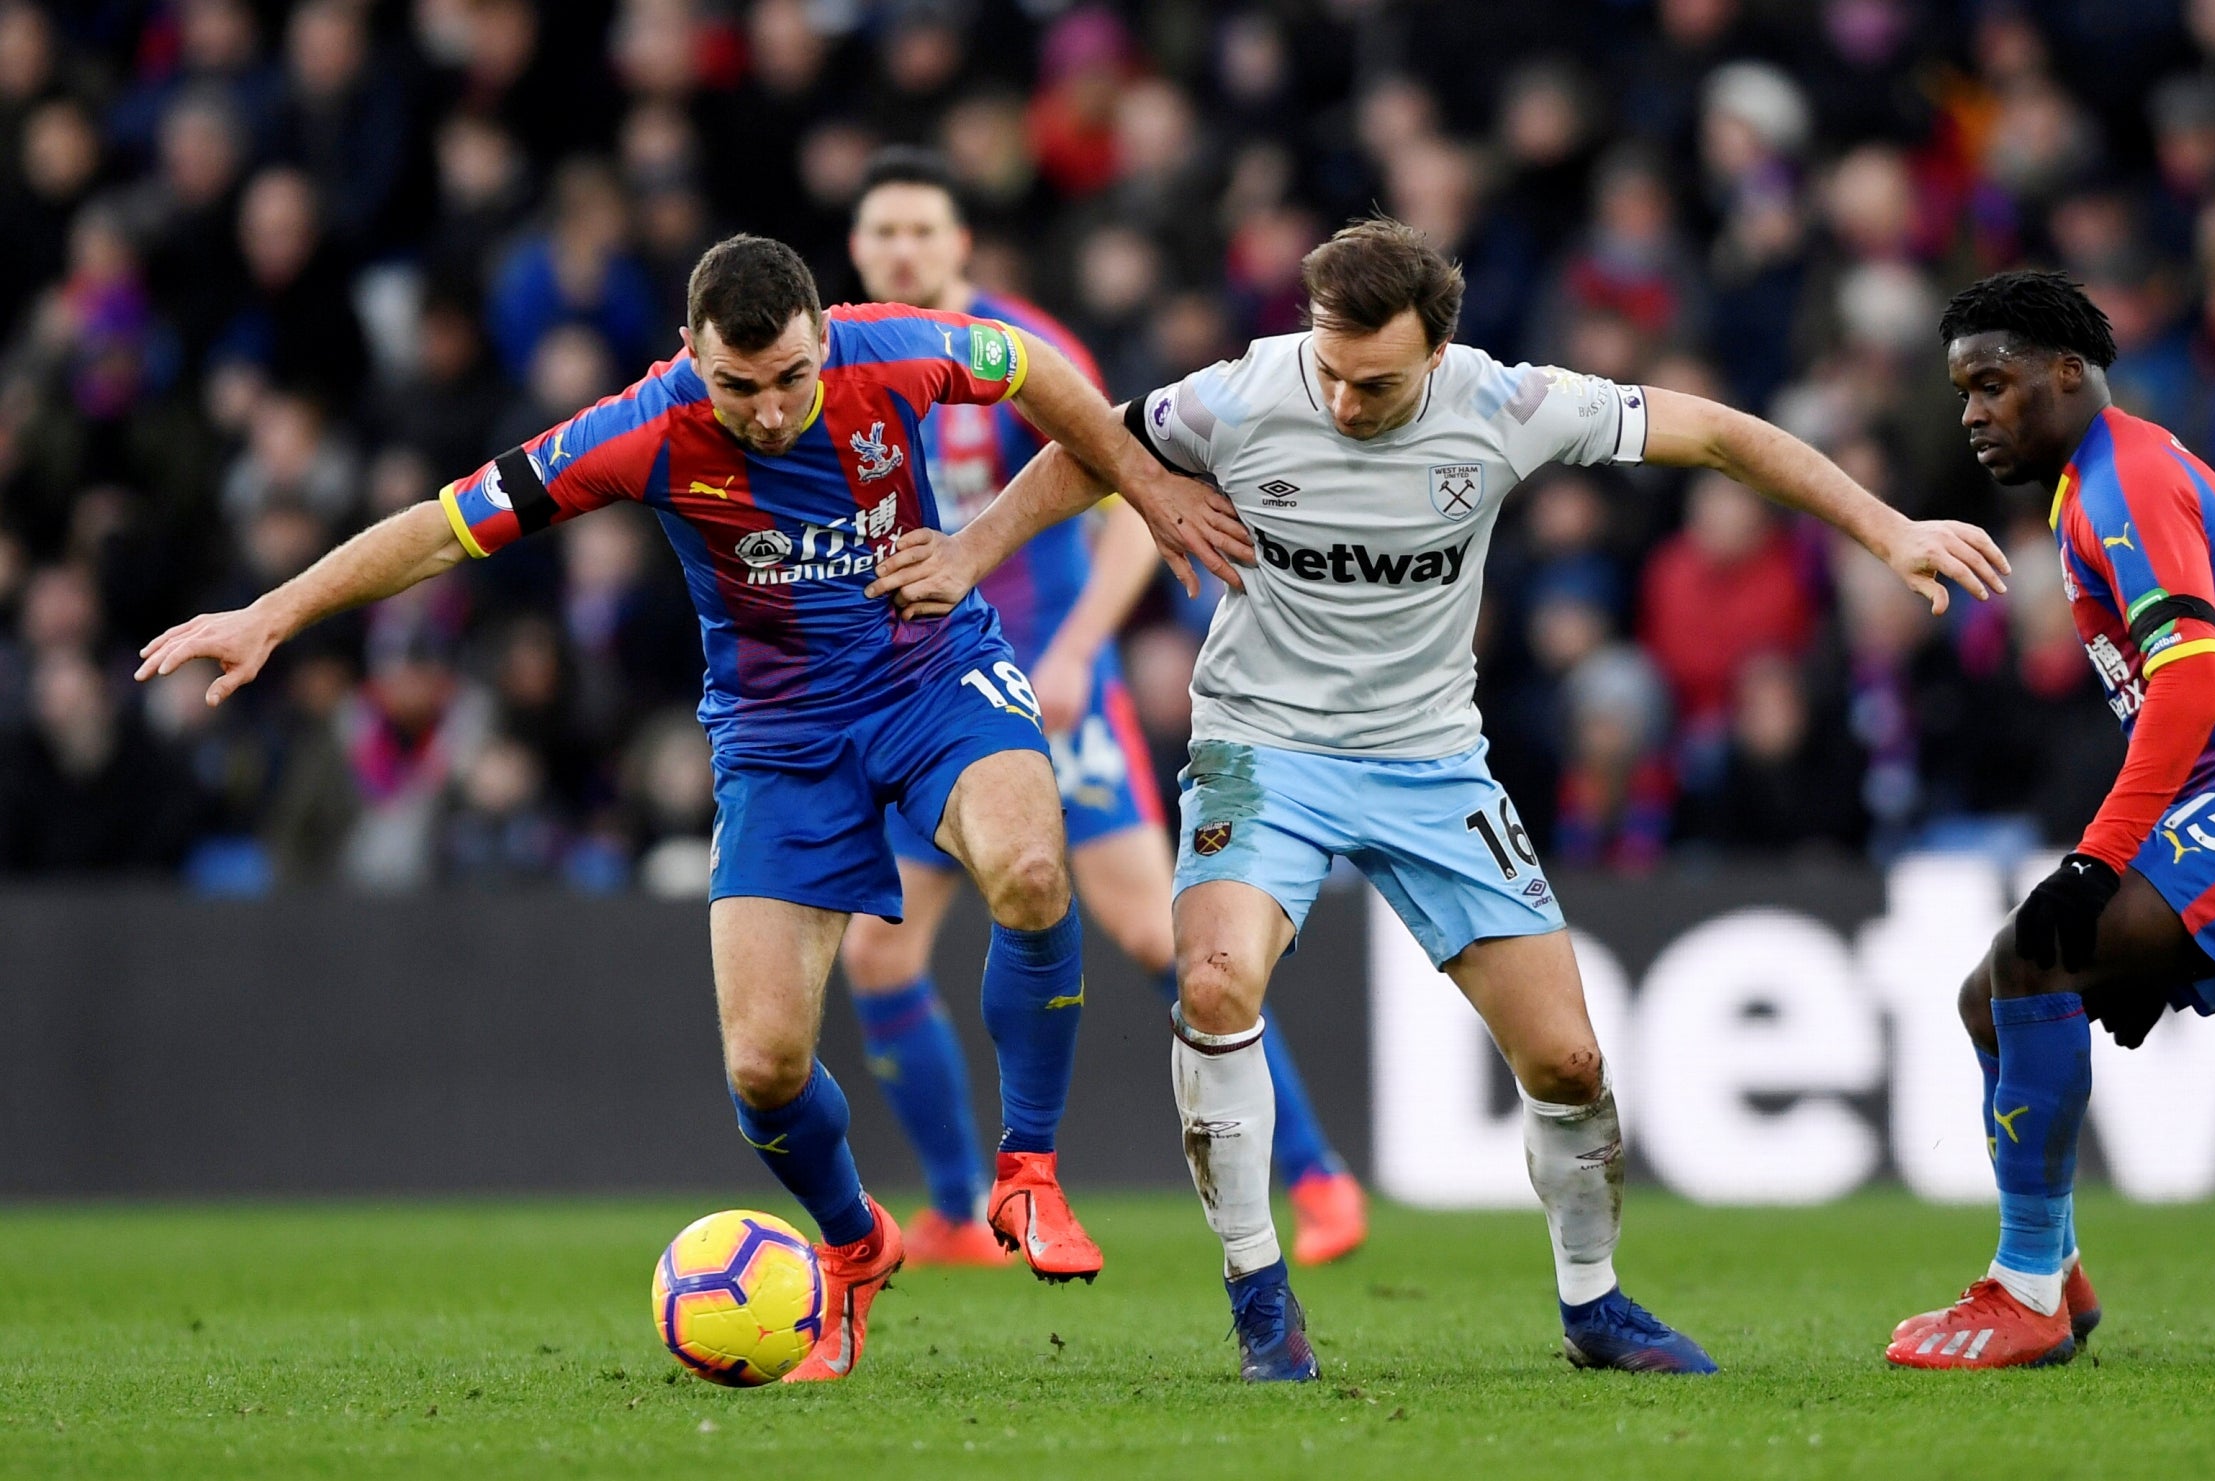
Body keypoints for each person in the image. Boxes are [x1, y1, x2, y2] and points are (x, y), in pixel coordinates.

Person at [872, 216, 2009, 1382]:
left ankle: (1593, 1304)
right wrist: (990, 544)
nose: (1346, 401)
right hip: (1264, 746)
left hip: (1430, 761)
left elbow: (1716, 434)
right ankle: (1261, 1297)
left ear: (1438, 354)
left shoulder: (1507, 404)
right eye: (1330, 369)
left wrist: (1889, 527)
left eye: (1375, 383)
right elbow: (1088, 446)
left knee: (1567, 1062)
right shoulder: (1244, 390)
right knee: (1212, 982)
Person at [135, 234, 1238, 1382]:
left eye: (792, 376)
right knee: (763, 1065)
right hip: (777, 737)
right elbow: (441, 523)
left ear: (823, 336)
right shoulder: (638, 429)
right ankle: (856, 1243)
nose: (770, 409)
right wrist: (273, 612)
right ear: (688, 356)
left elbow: (1043, 373)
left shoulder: (895, 348)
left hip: (930, 671)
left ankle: (1028, 1168)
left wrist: (1100, 500)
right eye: (738, 385)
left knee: (1030, 867)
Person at [840, 149, 1367, 1270]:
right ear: (857, 248)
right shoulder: (831, 367)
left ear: (961, 246)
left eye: (921, 231)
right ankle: (951, 1208)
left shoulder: (1017, 354)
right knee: (879, 959)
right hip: (907, 690)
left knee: (1154, 934)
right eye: (882, 232)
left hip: (1040, 679)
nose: (900, 250)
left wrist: (1079, 649)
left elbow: (1135, 493)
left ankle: (1320, 1177)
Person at [1889, 271, 2215, 1370]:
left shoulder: (2127, 480)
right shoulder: (2092, 487)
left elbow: (2192, 687)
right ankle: (2053, 1269)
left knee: (2034, 952)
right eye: (1962, 390)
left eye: (1994, 382)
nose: (1973, 410)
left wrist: (2098, 862)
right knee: (1993, 993)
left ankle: (2022, 1291)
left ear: (2068, 373)